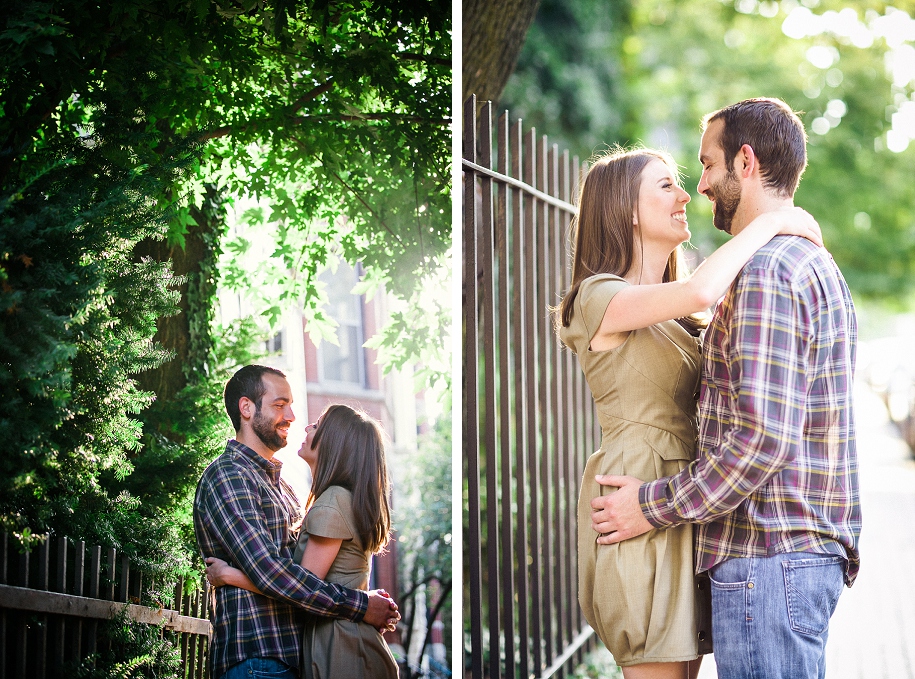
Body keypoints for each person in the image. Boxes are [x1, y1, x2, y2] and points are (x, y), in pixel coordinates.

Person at [589, 98, 861, 679]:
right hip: (777, 555)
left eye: (706, 166)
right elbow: (697, 297)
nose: (698, 187)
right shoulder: (803, 261)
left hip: (769, 553)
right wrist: (772, 223)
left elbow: (761, 437)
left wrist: (653, 504)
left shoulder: (766, 270)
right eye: (671, 183)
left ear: (745, 162)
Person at [194, 365, 399, 679]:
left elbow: (303, 573)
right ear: (246, 408)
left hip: (297, 659)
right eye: (279, 405)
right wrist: (359, 605)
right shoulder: (229, 475)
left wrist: (233, 575)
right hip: (260, 660)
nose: (291, 416)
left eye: (290, 405)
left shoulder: (285, 487)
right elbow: (271, 572)